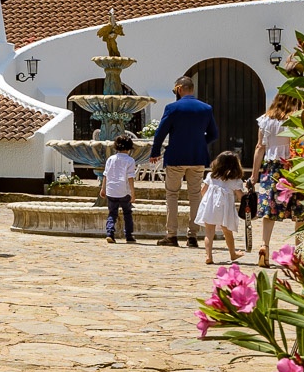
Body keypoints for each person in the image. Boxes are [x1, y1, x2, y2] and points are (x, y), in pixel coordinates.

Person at [149, 75, 218, 248]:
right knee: (195, 195)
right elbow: (214, 134)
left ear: (179, 88)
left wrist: (155, 152)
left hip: (176, 157)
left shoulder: (173, 108)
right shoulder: (206, 108)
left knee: (172, 194)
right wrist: (200, 143)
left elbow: (160, 133)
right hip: (197, 157)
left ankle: (171, 235)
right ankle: (192, 235)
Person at [250, 92, 302, 263]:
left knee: (269, 208)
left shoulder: (265, 120)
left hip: (271, 168)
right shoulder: (296, 120)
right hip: (294, 167)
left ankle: (264, 245)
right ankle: (299, 253)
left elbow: (260, 147)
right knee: (300, 211)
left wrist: (254, 175)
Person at [196, 150, 248, 265]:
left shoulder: (211, 176)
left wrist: (208, 201)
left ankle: (208, 256)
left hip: (210, 206)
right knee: (227, 232)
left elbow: (203, 191)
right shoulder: (235, 180)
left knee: (209, 232)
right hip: (226, 208)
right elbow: (241, 197)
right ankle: (232, 253)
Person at [103, 133, 139, 244]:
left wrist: (103, 188)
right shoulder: (130, 161)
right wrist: (133, 192)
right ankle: (128, 235)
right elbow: (130, 178)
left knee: (112, 213)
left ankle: (110, 233)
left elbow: (106, 175)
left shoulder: (111, 159)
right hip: (124, 190)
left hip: (111, 190)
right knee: (127, 213)